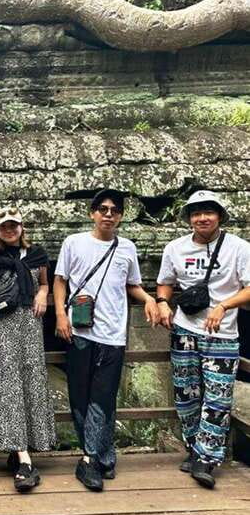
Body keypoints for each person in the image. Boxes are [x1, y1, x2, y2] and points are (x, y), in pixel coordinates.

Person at [54, 189, 160, 492]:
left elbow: (132, 285)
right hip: (81, 332)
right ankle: (100, 456)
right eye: (102, 209)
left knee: (103, 398)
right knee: (80, 397)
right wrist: (61, 315)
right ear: (92, 213)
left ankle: (90, 459)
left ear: (121, 216)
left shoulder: (126, 247)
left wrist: (150, 299)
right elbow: (60, 281)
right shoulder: (73, 243)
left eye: (114, 209)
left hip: (113, 335)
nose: (108, 214)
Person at [156, 190, 250, 489]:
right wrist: (161, 302)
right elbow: (165, 282)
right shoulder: (175, 248)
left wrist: (224, 305)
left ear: (220, 216)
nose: (202, 218)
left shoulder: (239, 248)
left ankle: (208, 458)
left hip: (222, 335)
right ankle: (194, 449)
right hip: (185, 330)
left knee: (218, 399)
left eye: (208, 212)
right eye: (196, 213)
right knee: (186, 395)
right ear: (189, 219)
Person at [0, 206, 55, 492]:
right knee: (6, 383)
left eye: (14, 225)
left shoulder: (37, 255)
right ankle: (24, 460)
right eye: (4, 226)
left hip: (29, 322)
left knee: (29, 380)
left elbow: (44, 283)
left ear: (22, 227)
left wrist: (43, 294)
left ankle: (17, 449)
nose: (10, 230)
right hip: (0, 325)